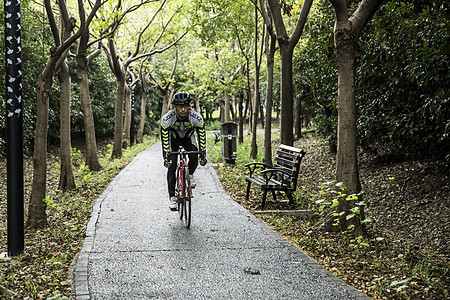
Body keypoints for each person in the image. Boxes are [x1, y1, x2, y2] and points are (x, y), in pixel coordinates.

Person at [160, 91, 207, 211]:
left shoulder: (196, 117)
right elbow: (165, 140)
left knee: (194, 156)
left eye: (186, 106)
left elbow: (201, 137)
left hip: (188, 139)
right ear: (175, 106)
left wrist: (203, 154)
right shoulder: (167, 119)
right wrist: (166, 157)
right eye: (180, 106)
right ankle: (172, 197)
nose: (183, 109)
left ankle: (190, 174)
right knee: (172, 165)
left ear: (189, 106)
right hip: (173, 141)